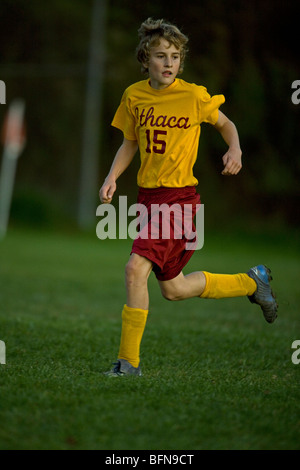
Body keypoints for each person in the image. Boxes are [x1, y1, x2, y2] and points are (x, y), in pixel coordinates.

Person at [99, 18, 278, 377]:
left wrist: (235, 149)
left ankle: (128, 364)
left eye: (175, 57)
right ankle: (251, 281)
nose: (168, 63)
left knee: (135, 269)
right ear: (145, 59)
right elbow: (130, 142)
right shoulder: (134, 96)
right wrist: (111, 176)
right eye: (160, 56)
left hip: (180, 201)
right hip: (148, 201)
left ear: (182, 62)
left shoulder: (194, 95)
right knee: (174, 289)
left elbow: (226, 124)